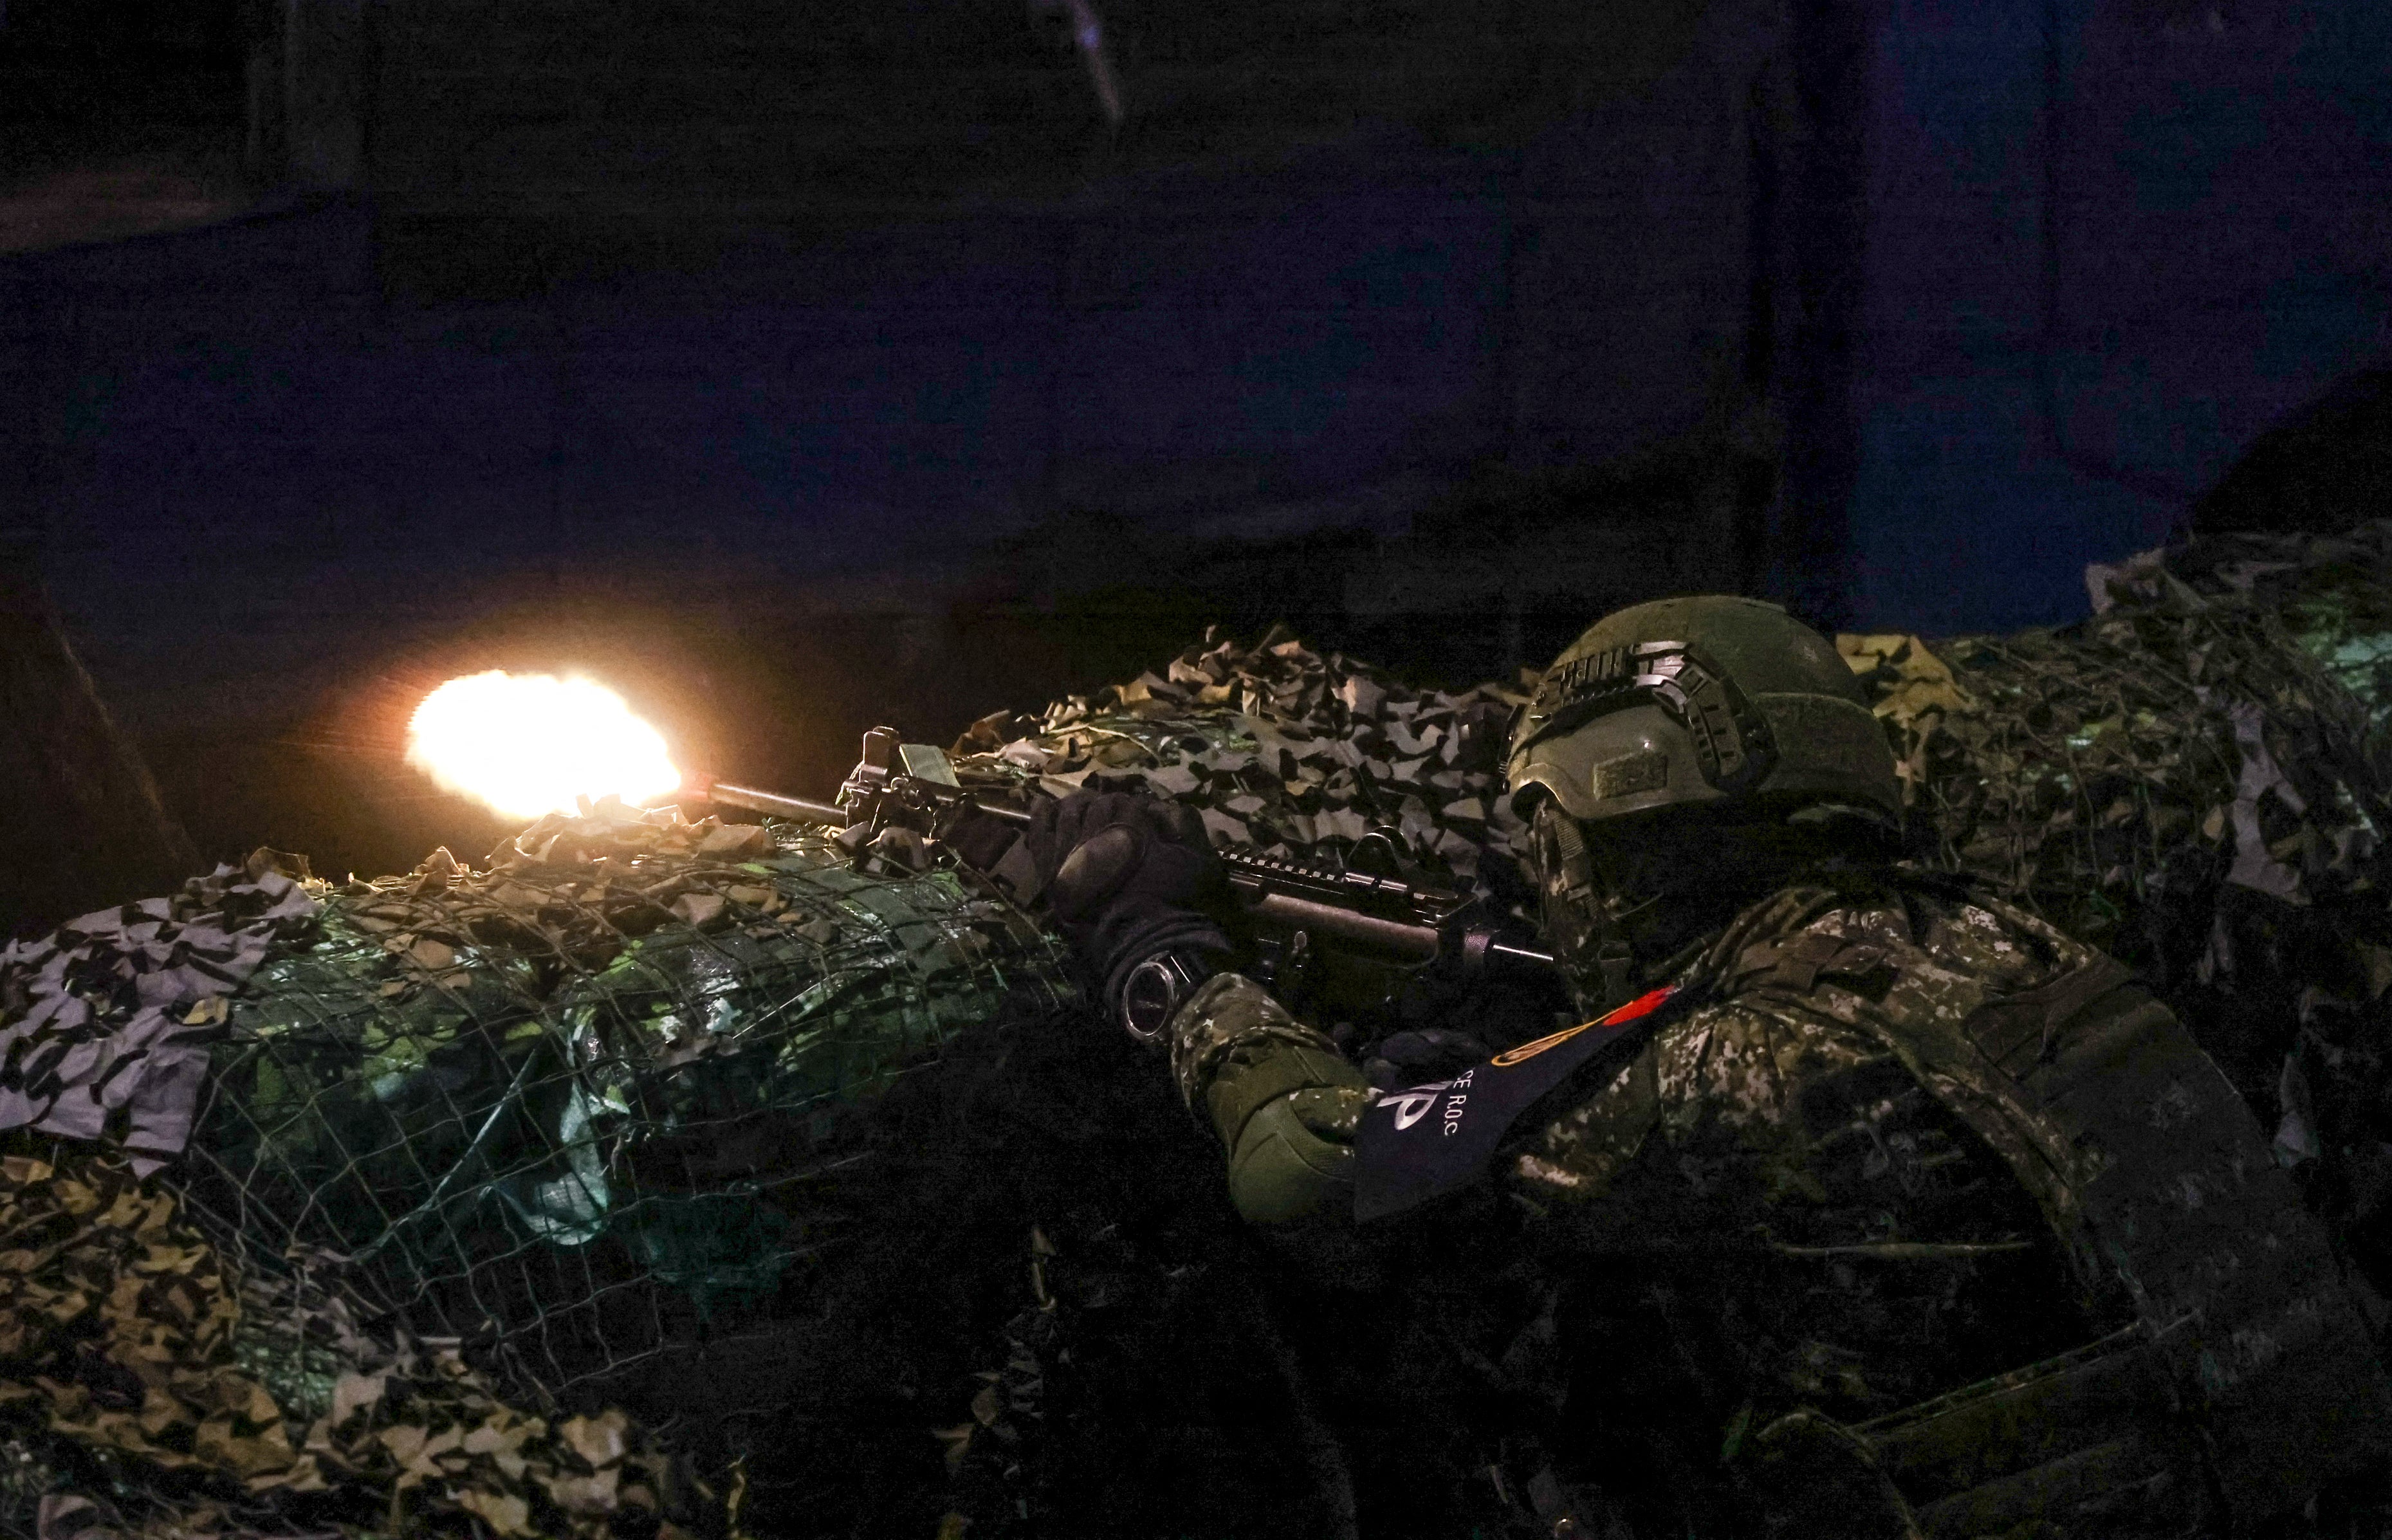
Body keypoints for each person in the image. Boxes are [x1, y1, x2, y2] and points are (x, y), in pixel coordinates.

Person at [1025, 595, 2392, 1539]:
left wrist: (1168, 959)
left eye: (1548, 840)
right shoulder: (2010, 951)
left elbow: (1311, 1169)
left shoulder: (1759, 1066)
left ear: (1611, 813)